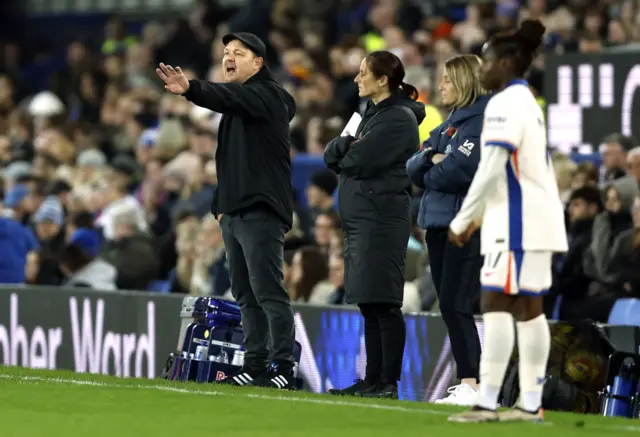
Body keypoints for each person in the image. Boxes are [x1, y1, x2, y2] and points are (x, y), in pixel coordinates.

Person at [156, 32, 298, 389]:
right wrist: (221, 206)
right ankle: (255, 363)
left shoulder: (269, 96)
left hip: (261, 210)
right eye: (225, 53)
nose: (228, 58)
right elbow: (228, 160)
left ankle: (282, 365)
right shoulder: (239, 105)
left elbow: (225, 95)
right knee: (246, 294)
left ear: (258, 63)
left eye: (238, 53)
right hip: (234, 213)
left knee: (268, 290)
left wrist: (191, 89)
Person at [447, 20, 568, 423]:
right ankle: (531, 403)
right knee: (529, 309)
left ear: (506, 62)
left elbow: (492, 166)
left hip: (516, 224)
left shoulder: (503, 104)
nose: (481, 69)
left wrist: (465, 218)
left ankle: (486, 401)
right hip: (537, 220)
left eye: (486, 61)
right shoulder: (526, 100)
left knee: (494, 303)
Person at [324, 51, 425, 399]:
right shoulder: (369, 114)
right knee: (369, 302)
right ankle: (372, 378)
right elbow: (330, 155)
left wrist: (344, 152)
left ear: (383, 80)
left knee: (384, 302)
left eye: (364, 73)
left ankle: (388, 382)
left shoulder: (397, 119)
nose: (356, 79)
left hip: (382, 218)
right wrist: (343, 150)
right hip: (362, 218)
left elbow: (356, 160)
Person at [405, 54, 490, 406]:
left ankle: (473, 382)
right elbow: (414, 164)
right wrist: (431, 159)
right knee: (449, 306)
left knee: (458, 304)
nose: (440, 86)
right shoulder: (449, 124)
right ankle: (469, 381)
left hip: (464, 225)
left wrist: (433, 165)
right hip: (438, 224)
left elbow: (460, 170)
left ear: (466, 82)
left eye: (447, 80)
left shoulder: (481, 121)